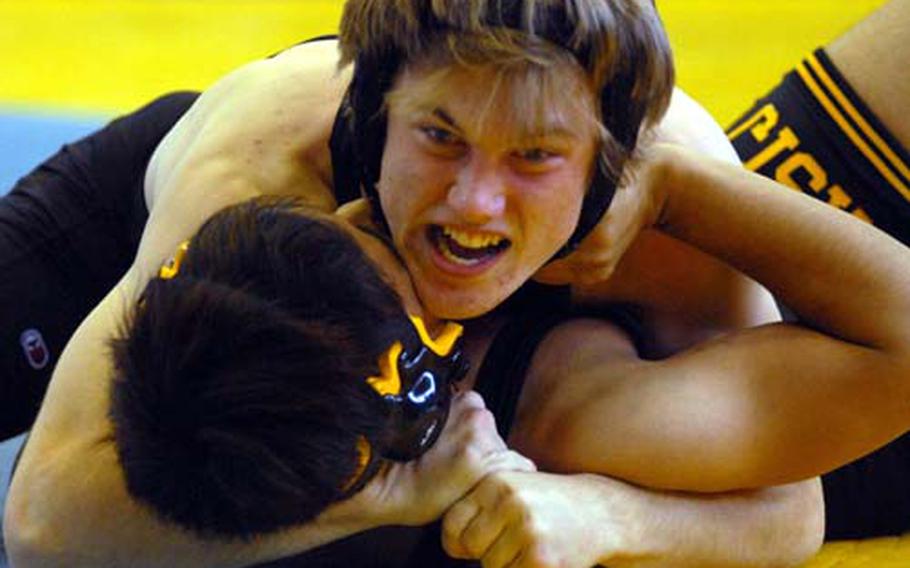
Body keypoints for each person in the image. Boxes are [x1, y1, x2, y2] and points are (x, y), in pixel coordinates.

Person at [1, 0, 908, 565]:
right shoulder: (265, 176)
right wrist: (394, 497)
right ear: (375, 113)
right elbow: (47, 523)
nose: (474, 203)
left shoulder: (657, 238)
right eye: (438, 137)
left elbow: (790, 508)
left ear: (609, 162)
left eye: (535, 157)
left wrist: (600, 516)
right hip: (140, 234)